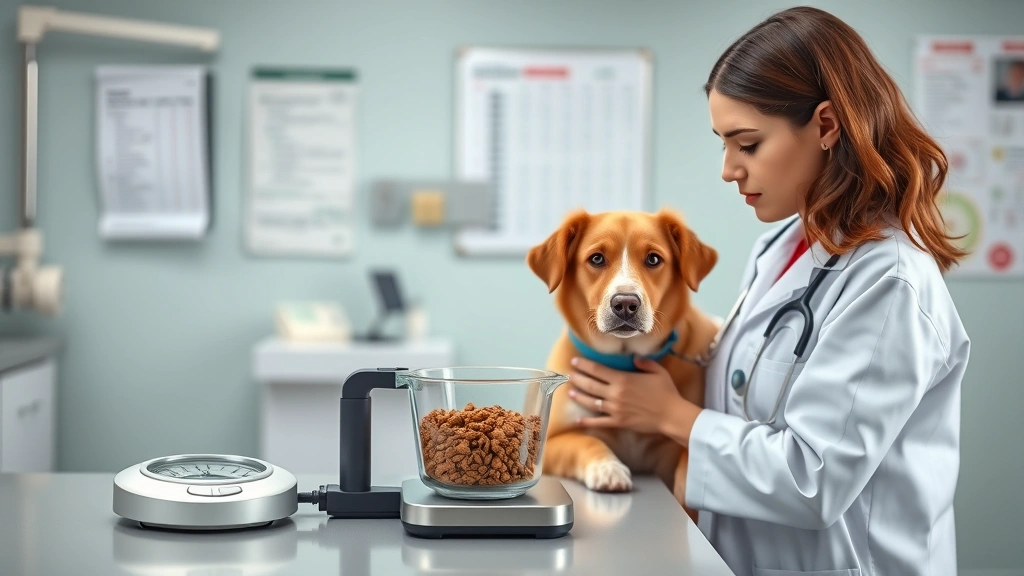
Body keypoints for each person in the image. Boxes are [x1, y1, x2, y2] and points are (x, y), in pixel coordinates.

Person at [564, 6, 971, 576]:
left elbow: (813, 479)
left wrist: (672, 417)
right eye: (722, 143)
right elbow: (752, 378)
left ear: (826, 126)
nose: (728, 169)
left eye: (747, 144)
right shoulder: (783, 248)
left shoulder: (890, 282)